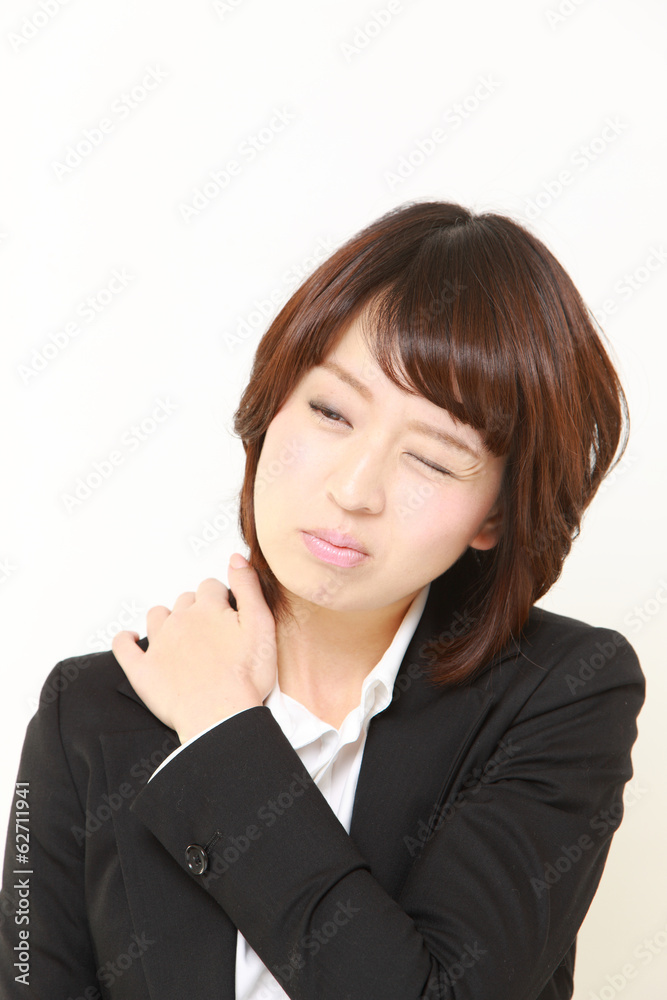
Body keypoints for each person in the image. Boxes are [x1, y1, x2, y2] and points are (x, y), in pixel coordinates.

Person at [0, 200, 645, 1000]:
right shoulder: (87, 710)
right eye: (331, 412)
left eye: (433, 459)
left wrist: (222, 734)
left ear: (495, 515)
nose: (353, 489)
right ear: (271, 405)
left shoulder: (560, 693)